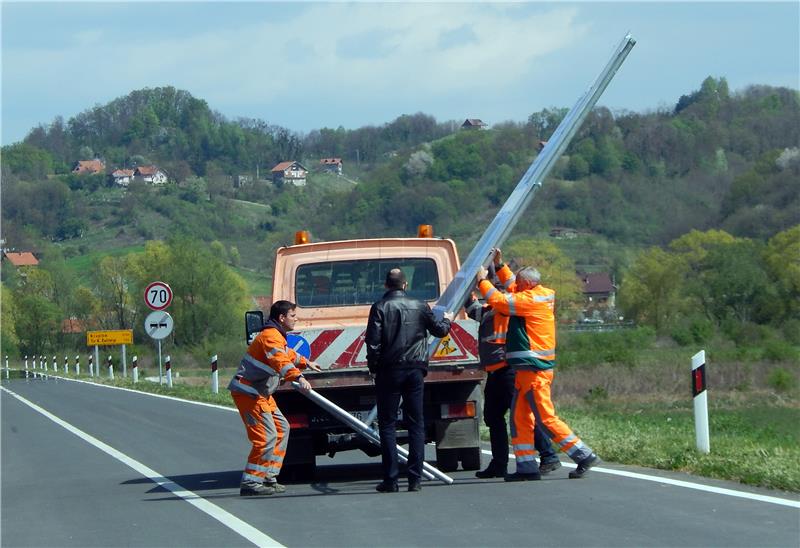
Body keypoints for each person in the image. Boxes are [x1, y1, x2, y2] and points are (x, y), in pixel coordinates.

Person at [476, 249, 600, 481]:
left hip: (535, 371)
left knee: (546, 418)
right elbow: (512, 284)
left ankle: (584, 455)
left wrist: (483, 280)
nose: (516, 287)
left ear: (528, 285)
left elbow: (499, 301)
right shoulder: (533, 293)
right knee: (520, 419)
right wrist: (500, 265)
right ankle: (526, 468)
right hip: (526, 372)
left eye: (520, 285)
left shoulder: (529, 300)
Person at [464, 269, 561, 479]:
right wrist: (466, 292)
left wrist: (483, 281)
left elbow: (503, 294)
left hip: (507, 369)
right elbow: (475, 312)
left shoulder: (508, 307)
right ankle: (499, 463)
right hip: (495, 372)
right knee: (493, 417)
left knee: (522, 418)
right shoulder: (492, 310)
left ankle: (548, 455)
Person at [365, 268, 453, 493]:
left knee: (387, 424)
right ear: (405, 285)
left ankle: (391, 480)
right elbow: (439, 331)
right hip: (415, 369)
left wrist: (373, 368)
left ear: (386, 286)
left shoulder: (380, 307)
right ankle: (415, 479)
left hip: (389, 370)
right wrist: (448, 321)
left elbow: (373, 343)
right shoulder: (420, 305)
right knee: (416, 423)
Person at [228, 300, 321, 496]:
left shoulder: (276, 336)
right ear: (282, 318)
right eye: (293, 316)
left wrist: (306, 363)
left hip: (261, 393)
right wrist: (298, 377)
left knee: (282, 428)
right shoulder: (270, 336)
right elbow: (280, 360)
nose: (296, 319)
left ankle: (269, 476)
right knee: (265, 437)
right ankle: (251, 483)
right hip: (249, 392)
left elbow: (287, 354)